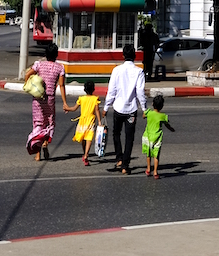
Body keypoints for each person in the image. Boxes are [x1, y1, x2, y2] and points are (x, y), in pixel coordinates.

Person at [103, 43, 146, 175]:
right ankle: (125, 165)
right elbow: (140, 92)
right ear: (134, 56)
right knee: (129, 137)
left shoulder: (116, 70)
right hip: (131, 110)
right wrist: (144, 108)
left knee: (116, 134)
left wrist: (106, 107)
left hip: (118, 108)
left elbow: (112, 91)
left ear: (123, 55)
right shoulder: (139, 71)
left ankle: (119, 158)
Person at [25, 42, 67, 161]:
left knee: (38, 124)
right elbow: (62, 85)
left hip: (38, 99)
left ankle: (37, 154)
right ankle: (45, 143)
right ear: (56, 54)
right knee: (49, 123)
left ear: (46, 54)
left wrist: (29, 86)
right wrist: (64, 103)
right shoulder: (60, 67)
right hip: (50, 99)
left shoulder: (39, 65)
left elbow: (28, 74)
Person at [65, 80, 102, 166]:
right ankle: (86, 154)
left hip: (82, 121)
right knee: (89, 138)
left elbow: (74, 108)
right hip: (91, 121)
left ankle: (84, 153)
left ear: (84, 89)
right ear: (93, 89)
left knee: (84, 138)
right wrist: (99, 121)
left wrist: (67, 108)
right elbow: (97, 110)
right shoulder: (95, 99)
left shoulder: (81, 99)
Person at [142, 94, 175, 179]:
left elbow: (143, 116)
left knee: (148, 154)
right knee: (156, 155)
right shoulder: (163, 116)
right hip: (157, 137)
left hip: (148, 136)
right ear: (162, 106)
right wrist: (171, 129)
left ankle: (148, 169)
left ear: (152, 104)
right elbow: (167, 124)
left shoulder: (149, 112)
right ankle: (156, 172)